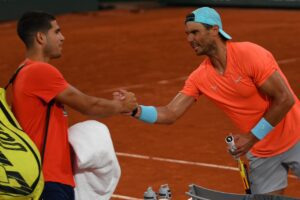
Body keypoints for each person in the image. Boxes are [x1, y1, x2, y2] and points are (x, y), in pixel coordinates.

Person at [130, 7, 300, 195]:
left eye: (195, 32)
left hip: (296, 136)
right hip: (262, 153)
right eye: (187, 34)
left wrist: (251, 138)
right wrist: (135, 110)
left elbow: (285, 99)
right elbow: (170, 113)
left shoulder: (249, 54)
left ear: (214, 30)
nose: (189, 40)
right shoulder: (200, 77)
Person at [13, 11, 137, 200]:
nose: (62, 37)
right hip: (47, 180)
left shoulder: (22, 71)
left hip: (42, 177)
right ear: (40, 37)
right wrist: (121, 105)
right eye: (57, 32)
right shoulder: (40, 71)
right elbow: (89, 105)